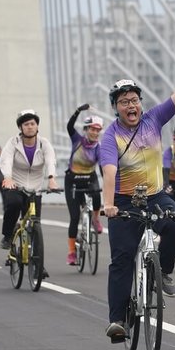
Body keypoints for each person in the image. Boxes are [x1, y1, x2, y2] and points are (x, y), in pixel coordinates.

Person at [101, 46, 175, 341]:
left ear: (141, 104)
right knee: (122, 258)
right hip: (122, 201)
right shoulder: (111, 135)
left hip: (155, 195)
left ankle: (163, 271)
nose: (130, 105)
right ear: (116, 108)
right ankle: (118, 320)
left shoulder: (154, 120)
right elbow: (109, 171)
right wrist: (108, 205)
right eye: (123, 102)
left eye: (134, 100)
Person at [0, 109, 59, 276]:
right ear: (21, 127)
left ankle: (38, 265)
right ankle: (7, 235)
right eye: (26, 124)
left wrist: (52, 178)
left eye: (32, 123)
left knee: (35, 225)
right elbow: (6, 160)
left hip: (35, 188)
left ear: (37, 126)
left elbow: (50, 161)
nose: (30, 127)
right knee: (14, 204)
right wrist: (8, 178)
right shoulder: (13, 143)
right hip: (15, 185)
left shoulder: (44, 143)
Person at [64, 104, 104, 265]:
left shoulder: (99, 148)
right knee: (74, 217)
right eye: (92, 129)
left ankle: (95, 219)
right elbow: (69, 126)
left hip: (89, 178)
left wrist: (109, 184)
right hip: (72, 181)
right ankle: (72, 252)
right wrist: (78, 111)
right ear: (86, 130)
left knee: (96, 196)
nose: (95, 133)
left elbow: (102, 168)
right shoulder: (77, 140)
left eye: (97, 130)